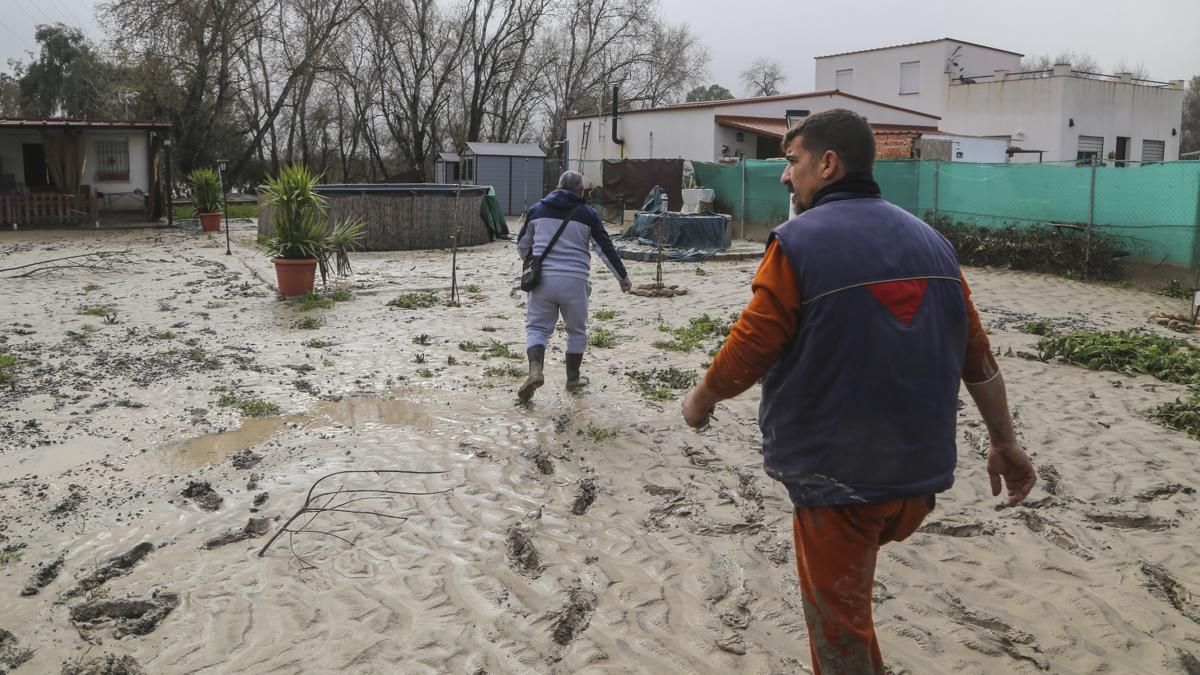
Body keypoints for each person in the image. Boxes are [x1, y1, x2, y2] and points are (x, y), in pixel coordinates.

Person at [679, 109, 1037, 674]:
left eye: (792, 161)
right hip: (917, 483)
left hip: (837, 481)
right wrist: (1005, 441)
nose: (784, 176)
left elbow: (752, 345)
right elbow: (979, 358)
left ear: (827, 163)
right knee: (852, 613)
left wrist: (699, 400)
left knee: (837, 632)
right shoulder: (935, 246)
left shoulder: (797, 244)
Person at [516, 171, 632, 403]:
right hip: (576, 282)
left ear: (557, 187)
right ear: (581, 191)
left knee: (537, 329)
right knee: (576, 331)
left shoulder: (537, 210)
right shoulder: (587, 214)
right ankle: (573, 379)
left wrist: (533, 261)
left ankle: (536, 371)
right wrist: (622, 278)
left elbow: (522, 245)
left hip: (542, 281)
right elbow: (604, 248)